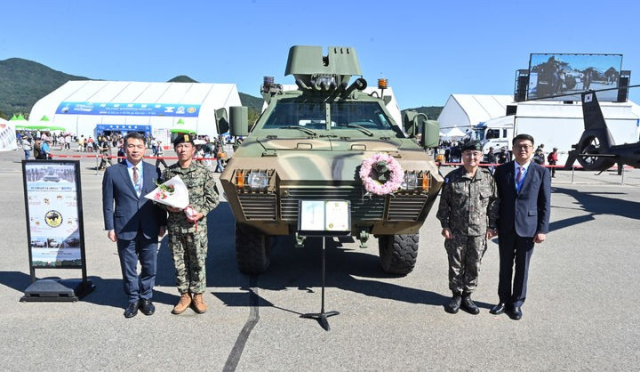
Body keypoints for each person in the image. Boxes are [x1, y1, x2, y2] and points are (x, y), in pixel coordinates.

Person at [102, 132, 167, 318]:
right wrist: (110, 227)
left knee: (149, 266)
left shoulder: (154, 171)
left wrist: (162, 223)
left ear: (145, 149)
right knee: (128, 266)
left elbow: (160, 200)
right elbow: (107, 202)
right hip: (123, 226)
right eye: (131, 146)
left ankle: (146, 298)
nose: (135, 150)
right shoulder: (113, 172)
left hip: (150, 225)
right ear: (124, 148)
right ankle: (133, 299)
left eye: (139, 146)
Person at [491, 134, 551, 320]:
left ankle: (516, 303)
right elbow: (496, 200)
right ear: (513, 149)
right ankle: (502, 300)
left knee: (522, 268)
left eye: (526, 146)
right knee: (505, 266)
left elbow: (545, 203)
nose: (522, 149)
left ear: (533, 149)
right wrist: (493, 224)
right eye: (518, 146)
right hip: (506, 227)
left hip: (529, 228)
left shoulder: (541, 172)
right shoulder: (502, 171)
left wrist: (542, 229)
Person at [436, 141, 499, 315]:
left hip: (479, 232)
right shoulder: (452, 178)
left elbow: (494, 204)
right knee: (455, 265)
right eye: (468, 154)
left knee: (474, 264)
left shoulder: (487, 178)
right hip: (457, 231)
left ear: (481, 156)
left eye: (475, 154)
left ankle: (468, 296)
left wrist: (492, 226)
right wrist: (445, 225)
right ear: (462, 156)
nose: (472, 157)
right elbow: (444, 205)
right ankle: (456, 295)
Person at [162, 134, 219, 315]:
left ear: (193, 149)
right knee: (179, 262)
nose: (183, 149)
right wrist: (168, 206)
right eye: (179, 146)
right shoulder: (169, 173)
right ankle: (184, 295)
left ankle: (198, 295)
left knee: (198, 261)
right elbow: (160, 199)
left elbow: (213, 198)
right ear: (175, 149)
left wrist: (201, 212)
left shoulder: (203, 172)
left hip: (196, 227)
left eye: (186, 146)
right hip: (176, 226)